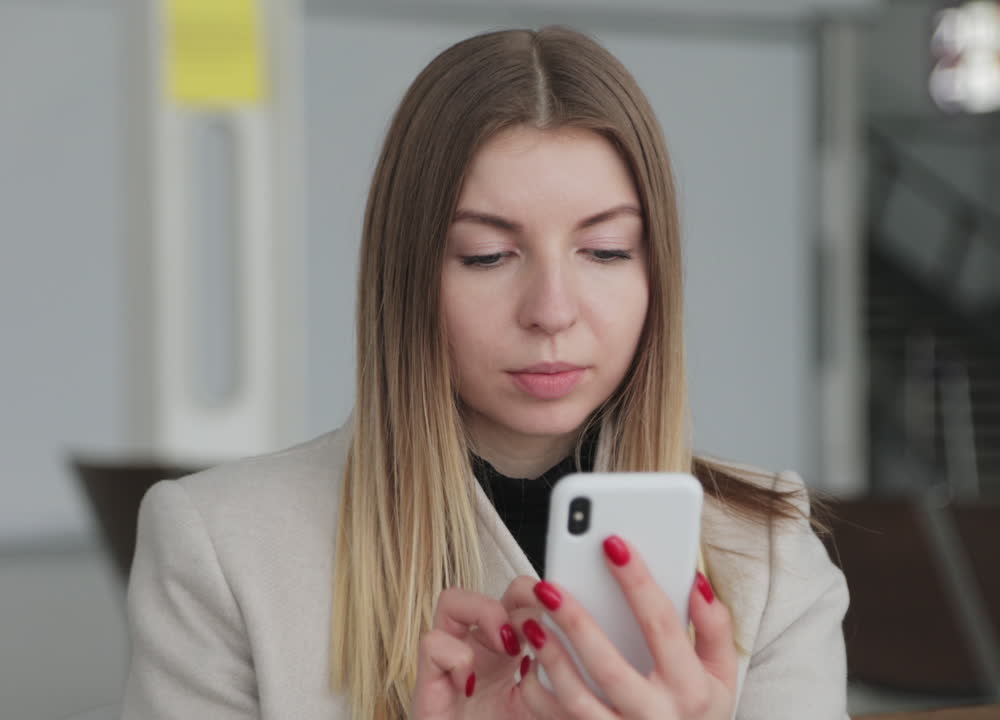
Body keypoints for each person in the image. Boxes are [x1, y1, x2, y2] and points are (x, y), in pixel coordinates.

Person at [121, 26, 849, 720]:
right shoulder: (225, 550)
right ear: (407, 278)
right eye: (487, 256)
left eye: (604, 251)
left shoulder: (765, 555)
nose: (552, 311)